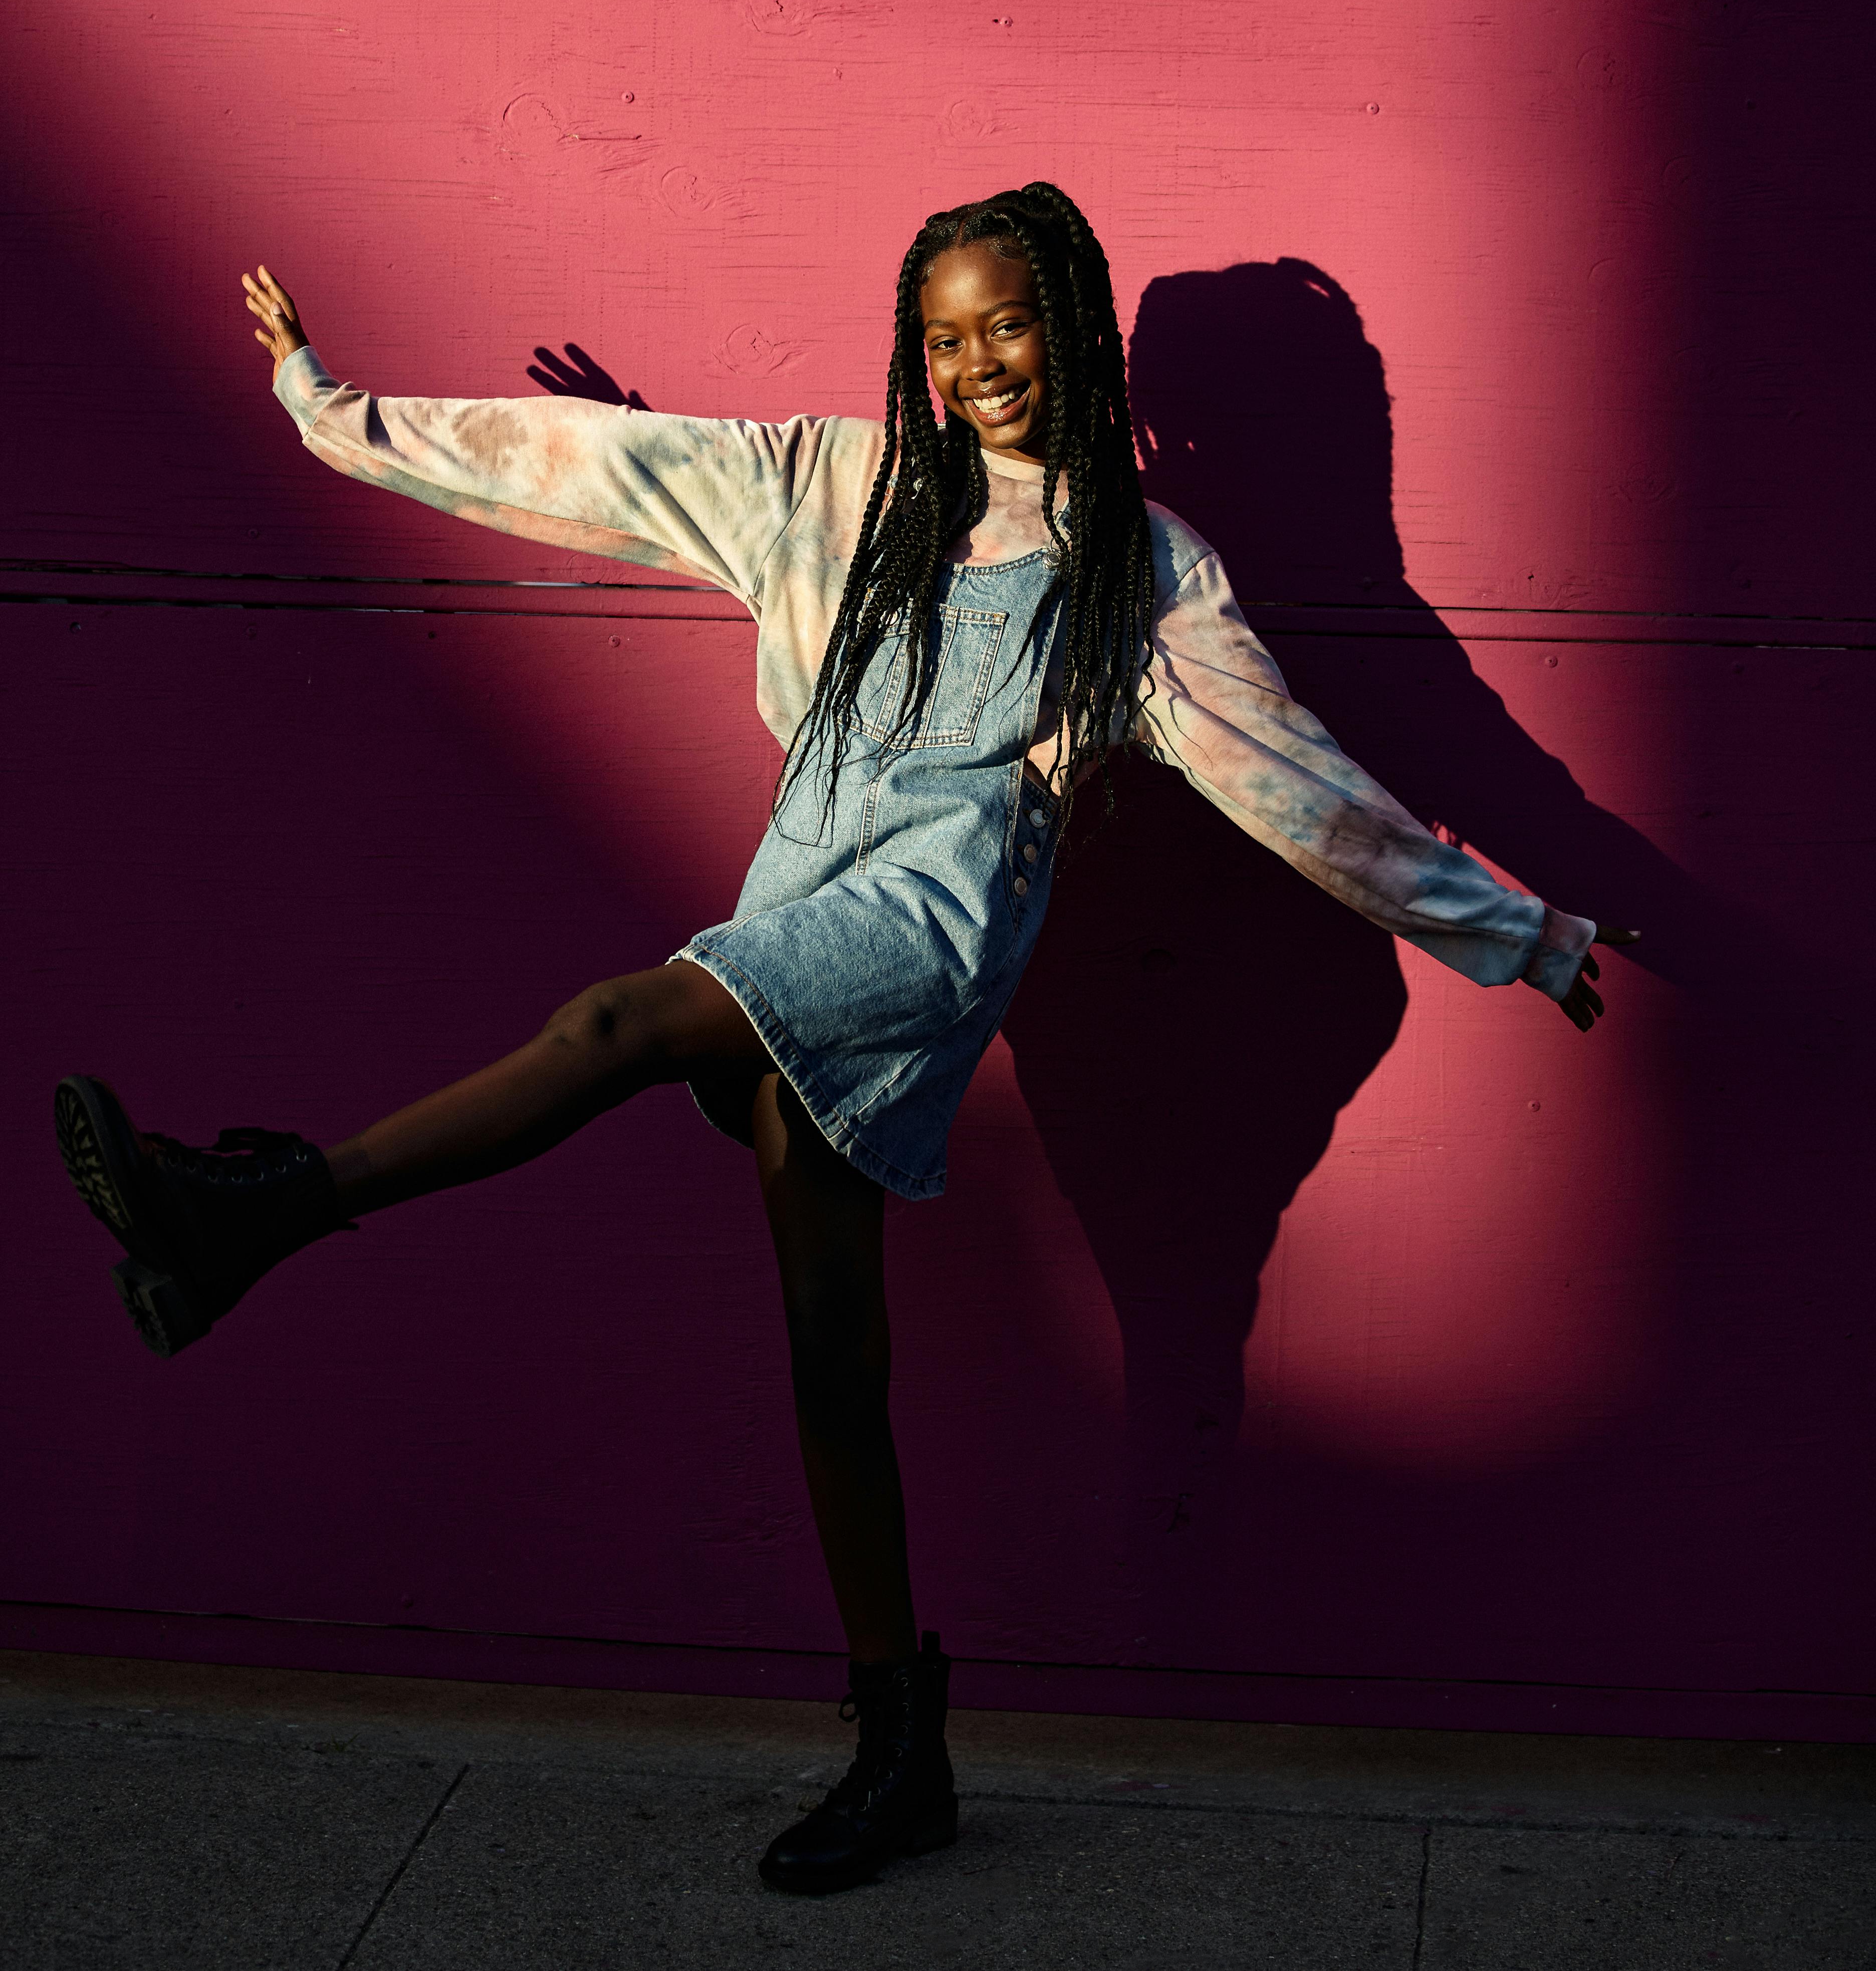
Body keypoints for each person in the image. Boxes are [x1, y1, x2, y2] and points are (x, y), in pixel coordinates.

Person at [54, 181, 1637, 1895]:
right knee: (835, 1358)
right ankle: (906, 1752)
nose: (983, 365)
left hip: (930, 937)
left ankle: (258, 1209)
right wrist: (332, 409)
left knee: (611, 1019)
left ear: (1076, 328)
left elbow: (1295, 783)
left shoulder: (1142, 565)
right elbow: (589, 471)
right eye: (949, 339)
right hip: (799, 909)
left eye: (1011, 325)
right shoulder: (833, 482)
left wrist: (1514, 932)